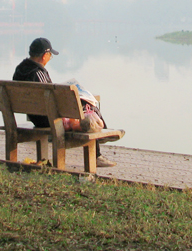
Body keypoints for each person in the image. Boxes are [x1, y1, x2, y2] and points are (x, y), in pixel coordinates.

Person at [13, 37, 116, 168]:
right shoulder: (38, 72)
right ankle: (97, 151)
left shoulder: (20, 69)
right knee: (88, 108)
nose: (50, 58)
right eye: (50, 55)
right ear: (44, 55)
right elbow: (50, 98)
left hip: (35, 116)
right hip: (47, 118)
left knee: (83, 107)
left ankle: (98, 141)